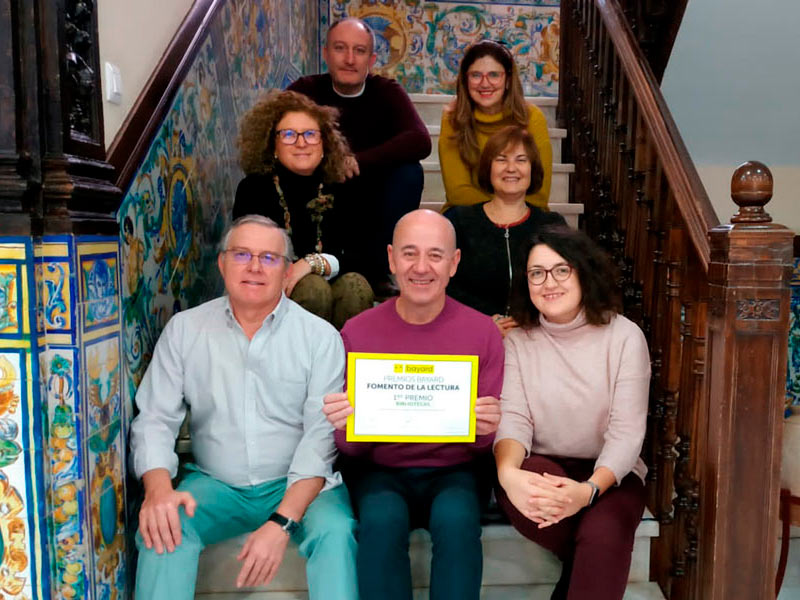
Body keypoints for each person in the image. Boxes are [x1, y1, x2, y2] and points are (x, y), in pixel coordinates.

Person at [130, 215, 358, 600]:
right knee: (162, 526)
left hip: (300, 485)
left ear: (287, 272)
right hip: (215, 483)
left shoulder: (320, 337)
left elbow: (321, 439)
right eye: (242, 254)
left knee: (336, 533)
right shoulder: (186, 329)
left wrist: (281, 522)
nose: (254, 267)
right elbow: (154, 418)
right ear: (222, 263)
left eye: (269, 258)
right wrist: (157, 491)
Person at [321, 209, 504, 600]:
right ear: (390, 259)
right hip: (380, 469)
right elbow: (351, 448)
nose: (421, 267)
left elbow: (481, 446)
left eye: (435, 255)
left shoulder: (483, 331)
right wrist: (345, 424)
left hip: (456, 469)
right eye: (409, 253)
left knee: (457, 520)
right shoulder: (357, 331)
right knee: (381, 521)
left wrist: (485, 428)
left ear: (454, 263)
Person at [493, 227, 651, 600]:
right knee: (533, 488)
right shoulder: (517, 340)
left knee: (604, 535)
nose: (549, 283)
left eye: (561, 270)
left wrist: (589, 490)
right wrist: (508, 474)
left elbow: (626, 432)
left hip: (611, 474)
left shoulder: (624, 336)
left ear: (583, 272)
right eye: (537, 273)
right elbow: (514, 417)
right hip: (542, 467)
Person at [288, 18, 432, 290]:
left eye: (360, 51)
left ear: (372, 59)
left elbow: (421, 140)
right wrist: (327, 163)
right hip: (318, 192)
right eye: (340, 48)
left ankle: (375, 271)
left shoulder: (387, 92)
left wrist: (358, 161)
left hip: (368, 200)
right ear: (326, 54)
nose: (350, 59)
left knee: (410, 172)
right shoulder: (305, 90)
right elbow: (274, 133)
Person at [234, 89, 373, 329]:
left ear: (324, 142)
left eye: (310, 134)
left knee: (355, 286)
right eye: (288, 134)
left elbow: (366, 255)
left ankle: (344, 365)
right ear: (273, 144)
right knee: (313, 289)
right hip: (274, 291)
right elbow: (248, 255)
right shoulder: (254, 188)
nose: (301, 143)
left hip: (338, 284)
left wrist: (312, 263)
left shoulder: (345, 185)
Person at [444, 126, 565, 337]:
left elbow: (565, 285)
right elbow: (443, 284)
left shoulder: (551, 225)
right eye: (501, 159)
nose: (511, 168)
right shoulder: (458, 221)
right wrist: (483, 320)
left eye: (521, 160)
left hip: (537, 336)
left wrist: (527, 321)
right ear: (488, 168)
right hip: (470, 333)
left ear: (532, 169)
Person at [439, 40, 553, 212]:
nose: (485, 83)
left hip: (525, 211)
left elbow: (540, 192)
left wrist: (509, 215)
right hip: (470, 212)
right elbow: (458, 192)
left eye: (494, 75)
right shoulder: (452, 119)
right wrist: (497, 213)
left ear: (507, 80)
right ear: (465, 80)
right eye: (476, 75)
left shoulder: (532, 117)